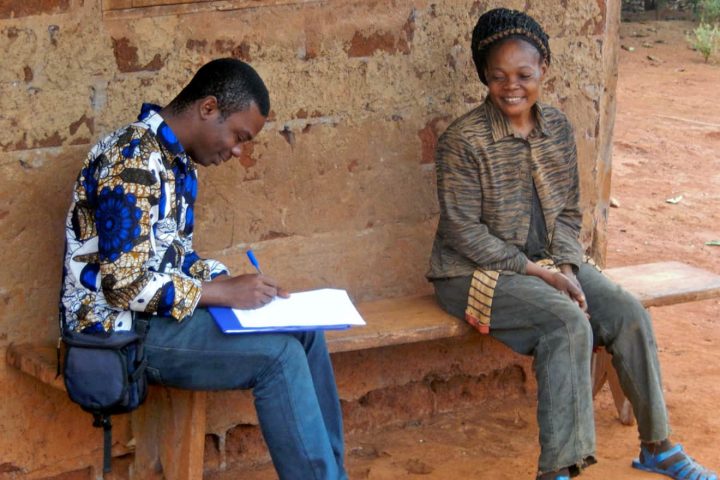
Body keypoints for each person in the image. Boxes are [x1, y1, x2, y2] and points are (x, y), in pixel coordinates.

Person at [427, 8, 717, 480]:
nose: (511, 86)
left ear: (545, 69)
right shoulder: (463, 141)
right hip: (472, 273)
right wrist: (536, 271)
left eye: (523, 74)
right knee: (565, 323)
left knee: (626, 312)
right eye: (497, 76)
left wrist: (567, 267)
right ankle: (559, 470)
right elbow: (463, 232)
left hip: (552, 265)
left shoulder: (557, 129)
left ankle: (658, 447)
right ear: (483, 75)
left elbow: (568, 213)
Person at [59, 58, 347, 480]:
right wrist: (221, 294)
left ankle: (332, 473)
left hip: (156, 319)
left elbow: (175, 257)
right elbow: (123, 285)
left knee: (304, 332)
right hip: (116, 334)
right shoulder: (131, 160)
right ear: (209, 108)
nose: (236, 151)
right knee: (278, 358)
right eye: (238, 137)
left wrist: (226, 281)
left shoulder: (173, 162)